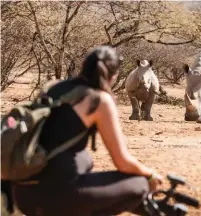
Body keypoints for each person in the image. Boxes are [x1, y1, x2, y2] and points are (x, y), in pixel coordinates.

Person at [7, 46, 163, 216]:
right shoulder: (99, 100)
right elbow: (122, 161)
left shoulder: (54, 87)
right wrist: (150, 175)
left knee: (86, 160)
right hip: (55, 197)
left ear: (84, 66)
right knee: (139, 185)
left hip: (22, 194)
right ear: (114, 75)